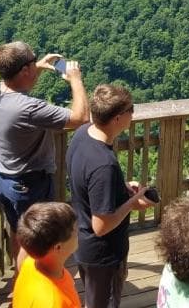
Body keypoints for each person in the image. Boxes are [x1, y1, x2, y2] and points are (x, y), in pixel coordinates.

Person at [0, 41, 89, 266]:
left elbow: (17, 86)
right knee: (36, 242)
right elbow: (80, 118)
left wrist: (38, 67)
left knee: (20, 232)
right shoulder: (29, 108)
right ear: (23, 70)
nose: (37, 61)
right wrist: (75, 80)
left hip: (4, 179)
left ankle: (19, 279)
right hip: (30, 184)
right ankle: (32, 285)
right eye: (34, 59)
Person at [66, 84, 156, 308]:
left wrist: (121, 187)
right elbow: (101, 226)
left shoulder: (82, 135)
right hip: (102, 254)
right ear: (117, 118)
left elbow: (87, 182)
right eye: (130, 110)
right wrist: (133, 202)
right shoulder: (104, 164)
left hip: (83, 239)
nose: (133, 114)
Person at [12, 201, 82, 308]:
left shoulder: (30, 263)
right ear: (58, 247)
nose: (78, 232)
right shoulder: (54, 302)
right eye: (75, 230)